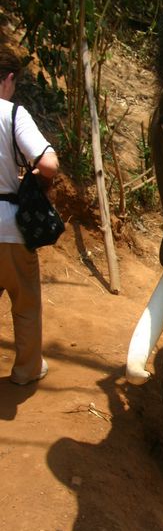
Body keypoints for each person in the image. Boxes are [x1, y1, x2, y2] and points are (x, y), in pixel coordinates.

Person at [0, 45, 59, 386]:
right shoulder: (12, 114)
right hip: (9, 225)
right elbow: (48, 164)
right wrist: (34, 177)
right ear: (8, 79)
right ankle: (26, 370)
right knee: (25, 304)